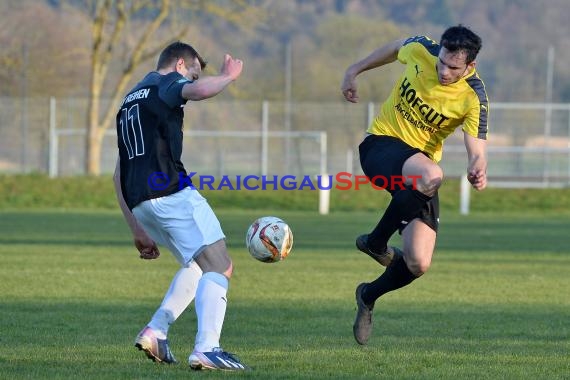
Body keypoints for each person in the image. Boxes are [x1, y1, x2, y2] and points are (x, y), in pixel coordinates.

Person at [341, 25, 488, 345]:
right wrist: (354, 70)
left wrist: (477, 167)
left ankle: (368, 295)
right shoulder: (422, 49)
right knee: (432, 175)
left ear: (470, 66)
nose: (444, 71)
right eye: (442, 63)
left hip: (418, 175)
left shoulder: (473, 97)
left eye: (453, 67)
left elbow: (477, 149)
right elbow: (395, 48)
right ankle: (376, 242)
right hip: (381, 147)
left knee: (418, 262)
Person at [113, 41, 248, 370]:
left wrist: (137, 228)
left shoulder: (130, 100)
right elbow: (199, 92)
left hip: (141, 201)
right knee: (220, 265)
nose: (192, 81)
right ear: (179, 66)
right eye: (193, 73)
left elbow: (119, 172)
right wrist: (228, 77)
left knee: (198, 265)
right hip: (171, 192)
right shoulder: (166, 83)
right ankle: (207, 348)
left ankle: (156, 331)